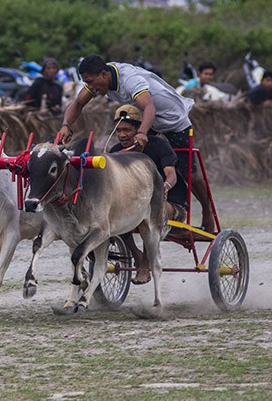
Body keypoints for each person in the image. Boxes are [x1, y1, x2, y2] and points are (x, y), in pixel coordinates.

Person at [59, 54, 215, 232]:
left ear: (104, 74)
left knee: (189, 173)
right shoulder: (100, 79)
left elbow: (150, 108)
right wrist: (65, 126)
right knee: (133, 162)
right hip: (149, 120)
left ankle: (207, 211)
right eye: (88, 83)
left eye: (92, 82)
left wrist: (142, 132)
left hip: (173, 119)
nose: (92, 87)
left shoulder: (130, 80)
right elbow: (78, 103)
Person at [109, 105, 188, 285]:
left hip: (170, 205)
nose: (122, 135)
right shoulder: (114, 152)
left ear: (138, 130)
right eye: (119, 130)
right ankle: (136, 255)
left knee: (153, 213)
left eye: (127, 130)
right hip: (134, 204)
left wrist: (165, 187)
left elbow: (171, 174)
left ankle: (145, 264)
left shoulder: (159, 146)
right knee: (113, 216)